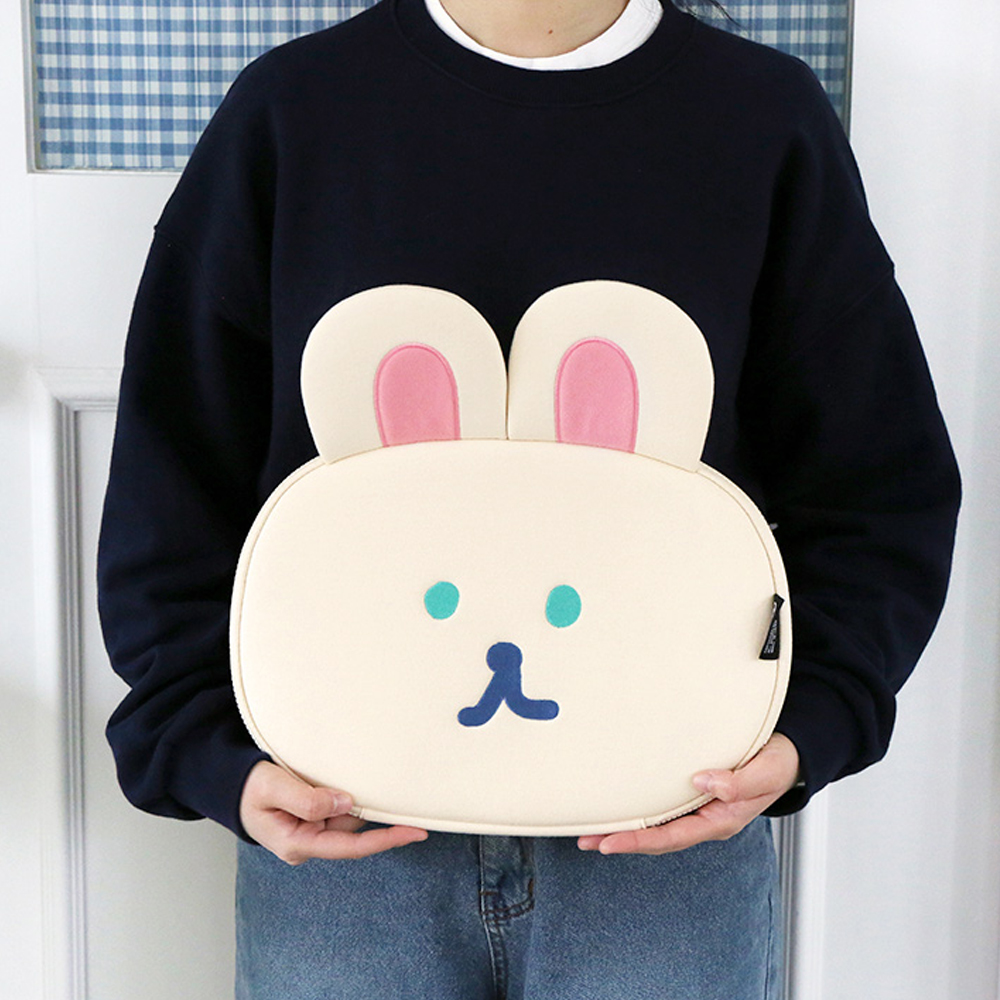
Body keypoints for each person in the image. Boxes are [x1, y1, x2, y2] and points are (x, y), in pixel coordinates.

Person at [97, 0, 960, 996]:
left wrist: (807, 724)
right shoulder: (294, 112)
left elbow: (876, 485)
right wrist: (209, 750)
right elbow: (175, 476)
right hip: (344, 827)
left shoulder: (760, 117)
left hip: (667, 827)